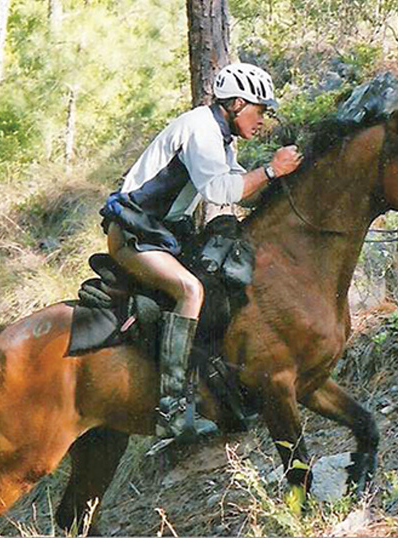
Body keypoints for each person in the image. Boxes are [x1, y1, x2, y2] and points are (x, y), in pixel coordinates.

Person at [99, 62, 303, 442]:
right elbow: (220, 192)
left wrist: (289, 178)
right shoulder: (200, 128)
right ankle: (171, 409)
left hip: (161, 233)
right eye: (260, 111)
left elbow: (242, 186)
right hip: (133, 234)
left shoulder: (220, 135)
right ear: (238, 103)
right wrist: (272, 171)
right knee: (190, 291)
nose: (262, 121)